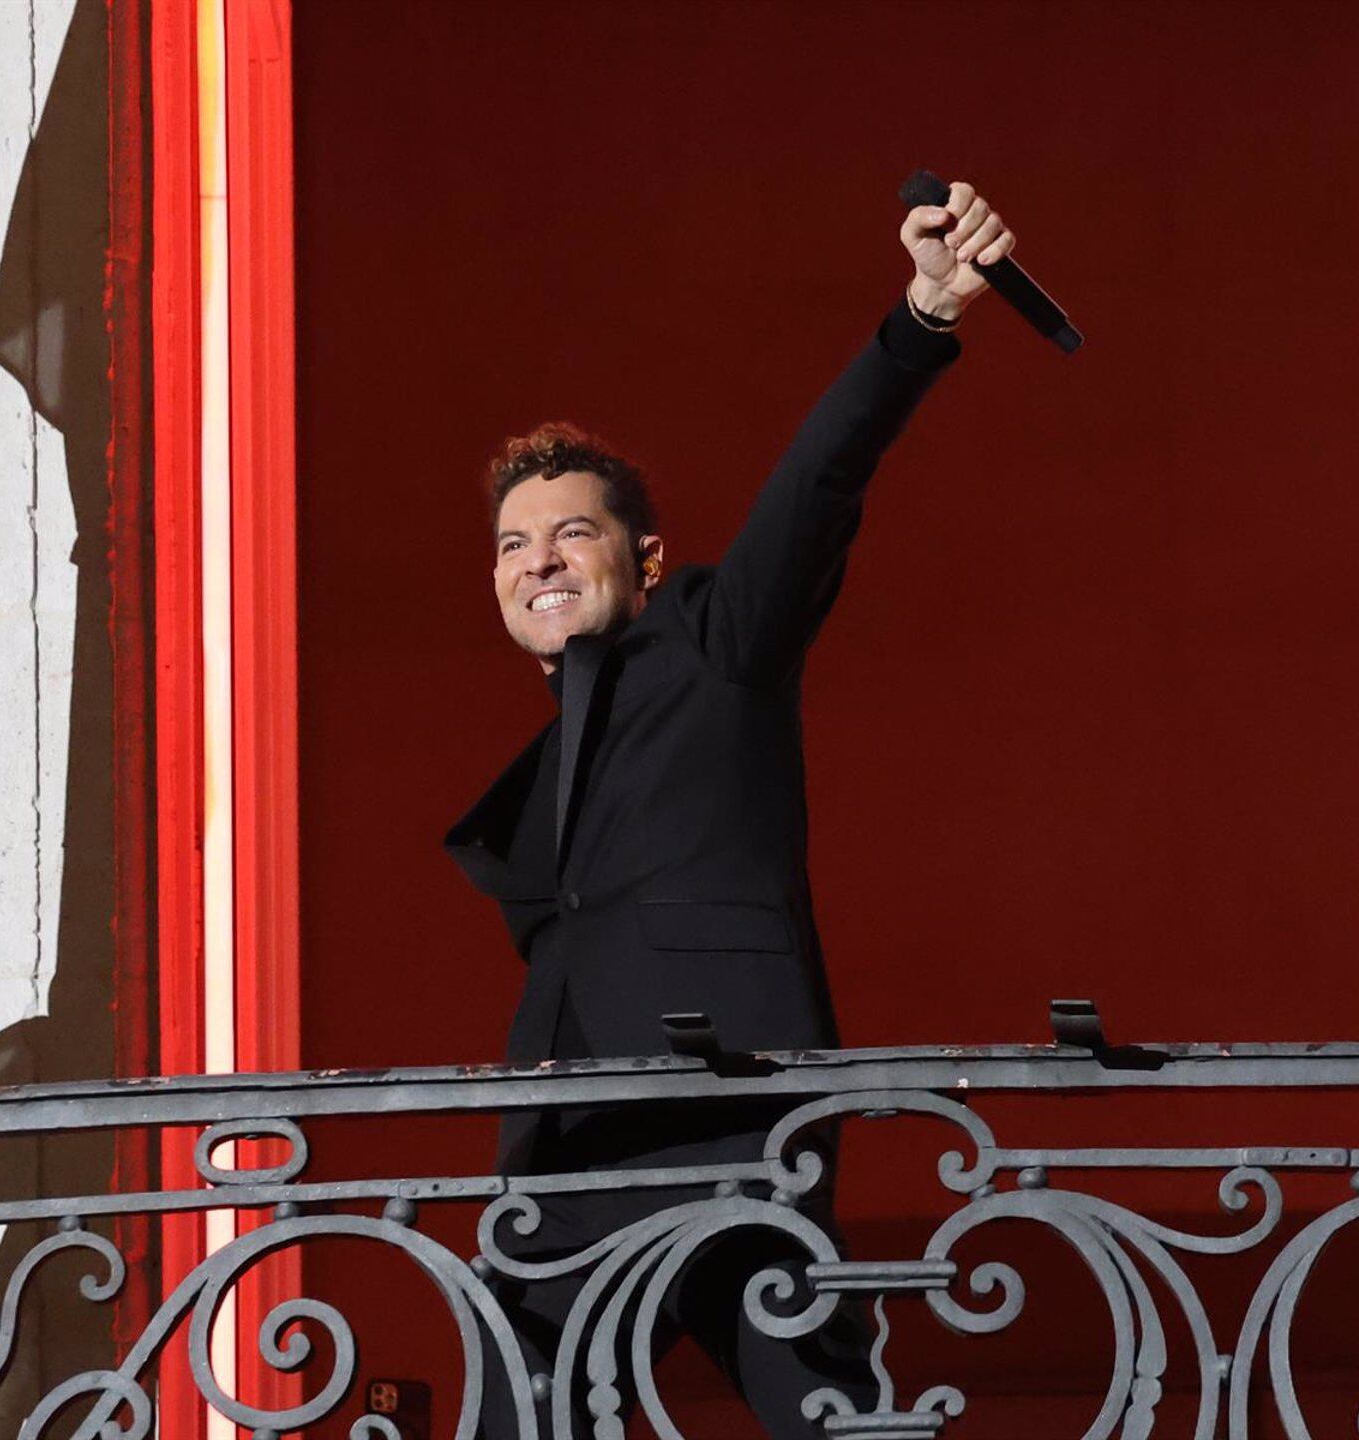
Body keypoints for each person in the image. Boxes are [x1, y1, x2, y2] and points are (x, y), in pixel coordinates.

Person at [445, 180, 1013, 1438]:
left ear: (643, 560)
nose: (534, 558)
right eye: (508, 543)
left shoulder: (715, 644)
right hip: (572, 1158)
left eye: (570, 532)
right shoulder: (554, 758)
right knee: (514, 1418)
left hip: (731, 1121)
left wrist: (921, 314)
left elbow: (816, 487)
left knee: (822, 1415)